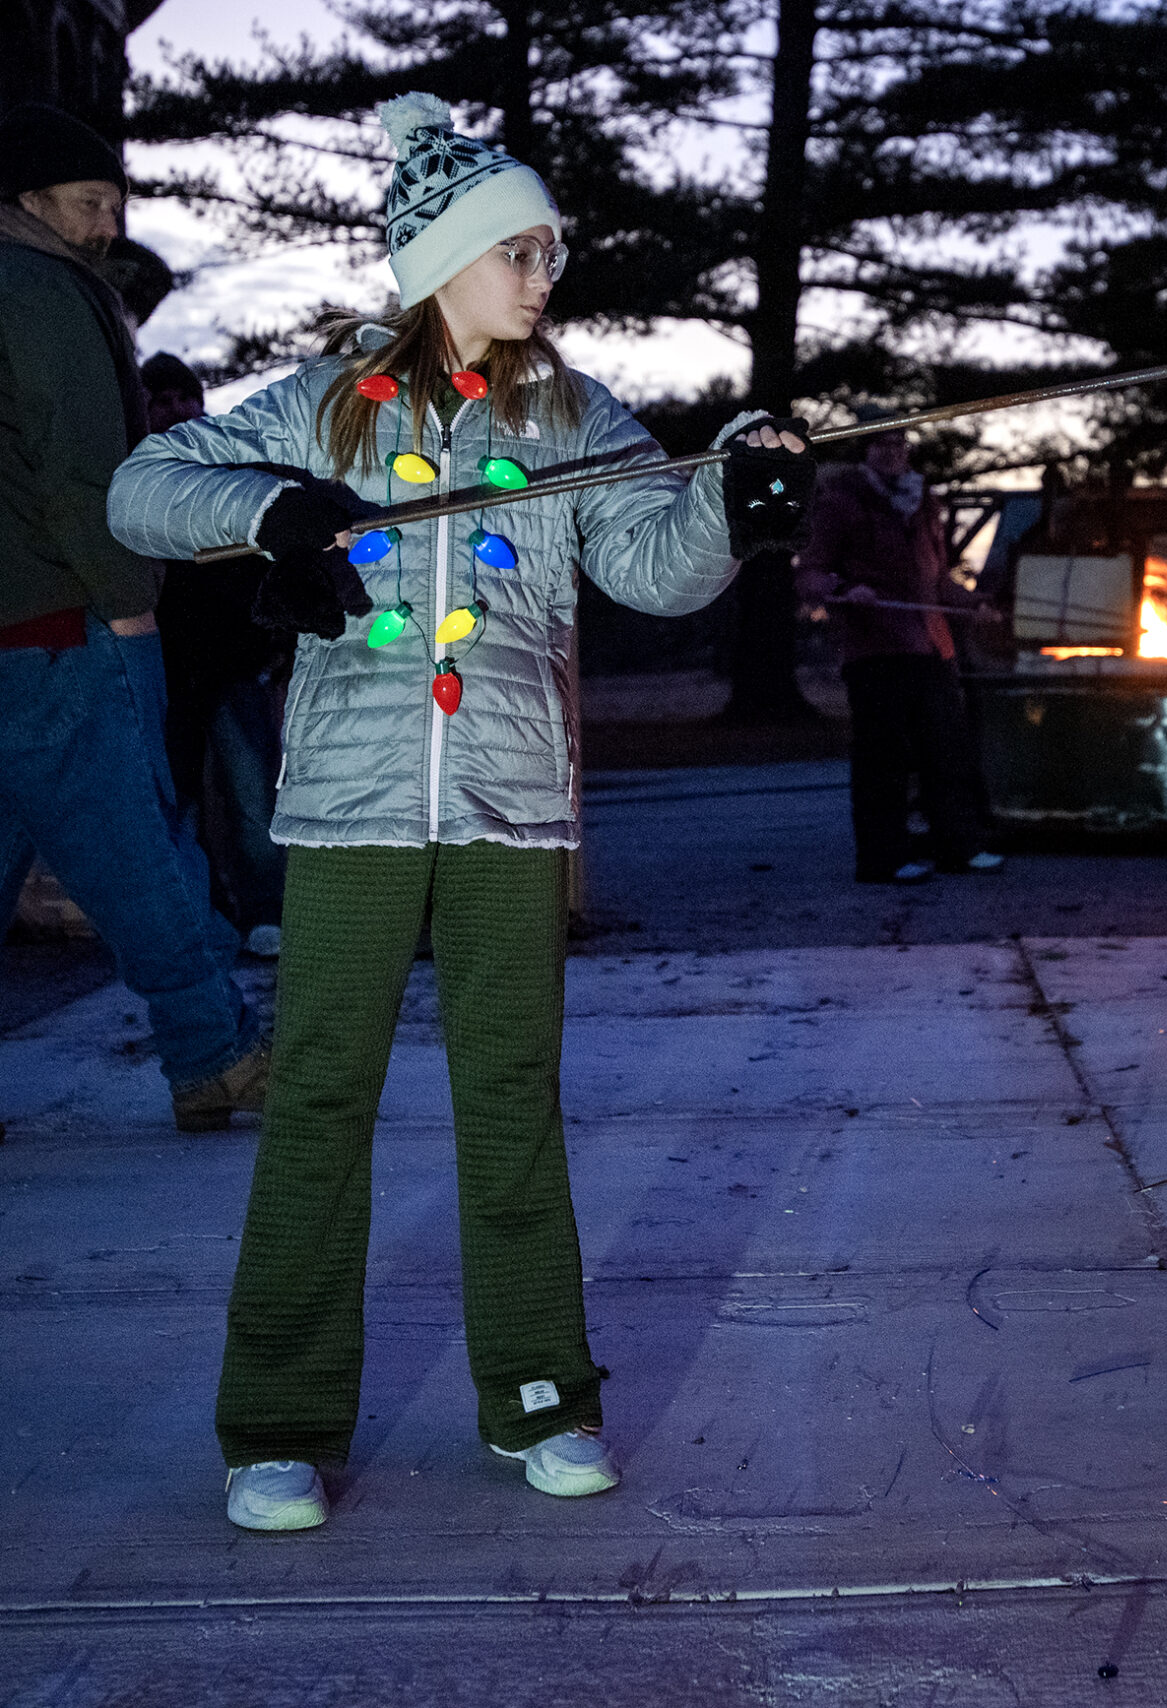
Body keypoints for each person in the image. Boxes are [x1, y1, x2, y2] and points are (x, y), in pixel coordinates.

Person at [107, 92, 812, 1534]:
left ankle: (544, 1398)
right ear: (438, 257)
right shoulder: (317, 404)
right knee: (317, 1105)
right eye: (520, 250)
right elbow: (142, 486)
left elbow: (653, 565)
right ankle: (277, 1426)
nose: (544, 275)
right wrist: (274, 515)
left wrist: (734, 506)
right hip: (350, 816)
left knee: (510, 1107)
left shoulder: (571, 416)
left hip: (507, 813)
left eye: (551, 252)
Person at [0, 100, 269, 1131]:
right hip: (58, 621)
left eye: (115, 201)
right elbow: (83, 470)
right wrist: (125, 603)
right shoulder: (38, 287)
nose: (108, 222)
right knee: (137, 845)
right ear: (28, 203)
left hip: (11, 623)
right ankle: (215, 1050)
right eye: (87, 202)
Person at [795, 425, 1001, 884]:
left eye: (899, 445)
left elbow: (939, 580)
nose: (893, 453)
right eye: (882, 444)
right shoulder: (839, 502)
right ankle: (883, 860)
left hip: (932, 647)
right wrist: (848, 590)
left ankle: (959, 849)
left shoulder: (923, 502)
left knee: (946, 753)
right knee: (883, 760)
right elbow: (810, 575)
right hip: (876, 652)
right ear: (865, 452)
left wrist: (973, 604)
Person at [146, 352, 291, 957]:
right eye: (165, 400)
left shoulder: (226, 468)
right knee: (175, 803)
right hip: (162, 668)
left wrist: (272, 643)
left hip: (233, 663)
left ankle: (267, 913)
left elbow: (262, 562)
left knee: (254, 795)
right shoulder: (136, 478)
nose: (180, 409)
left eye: (188, 397)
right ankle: (202, 920)